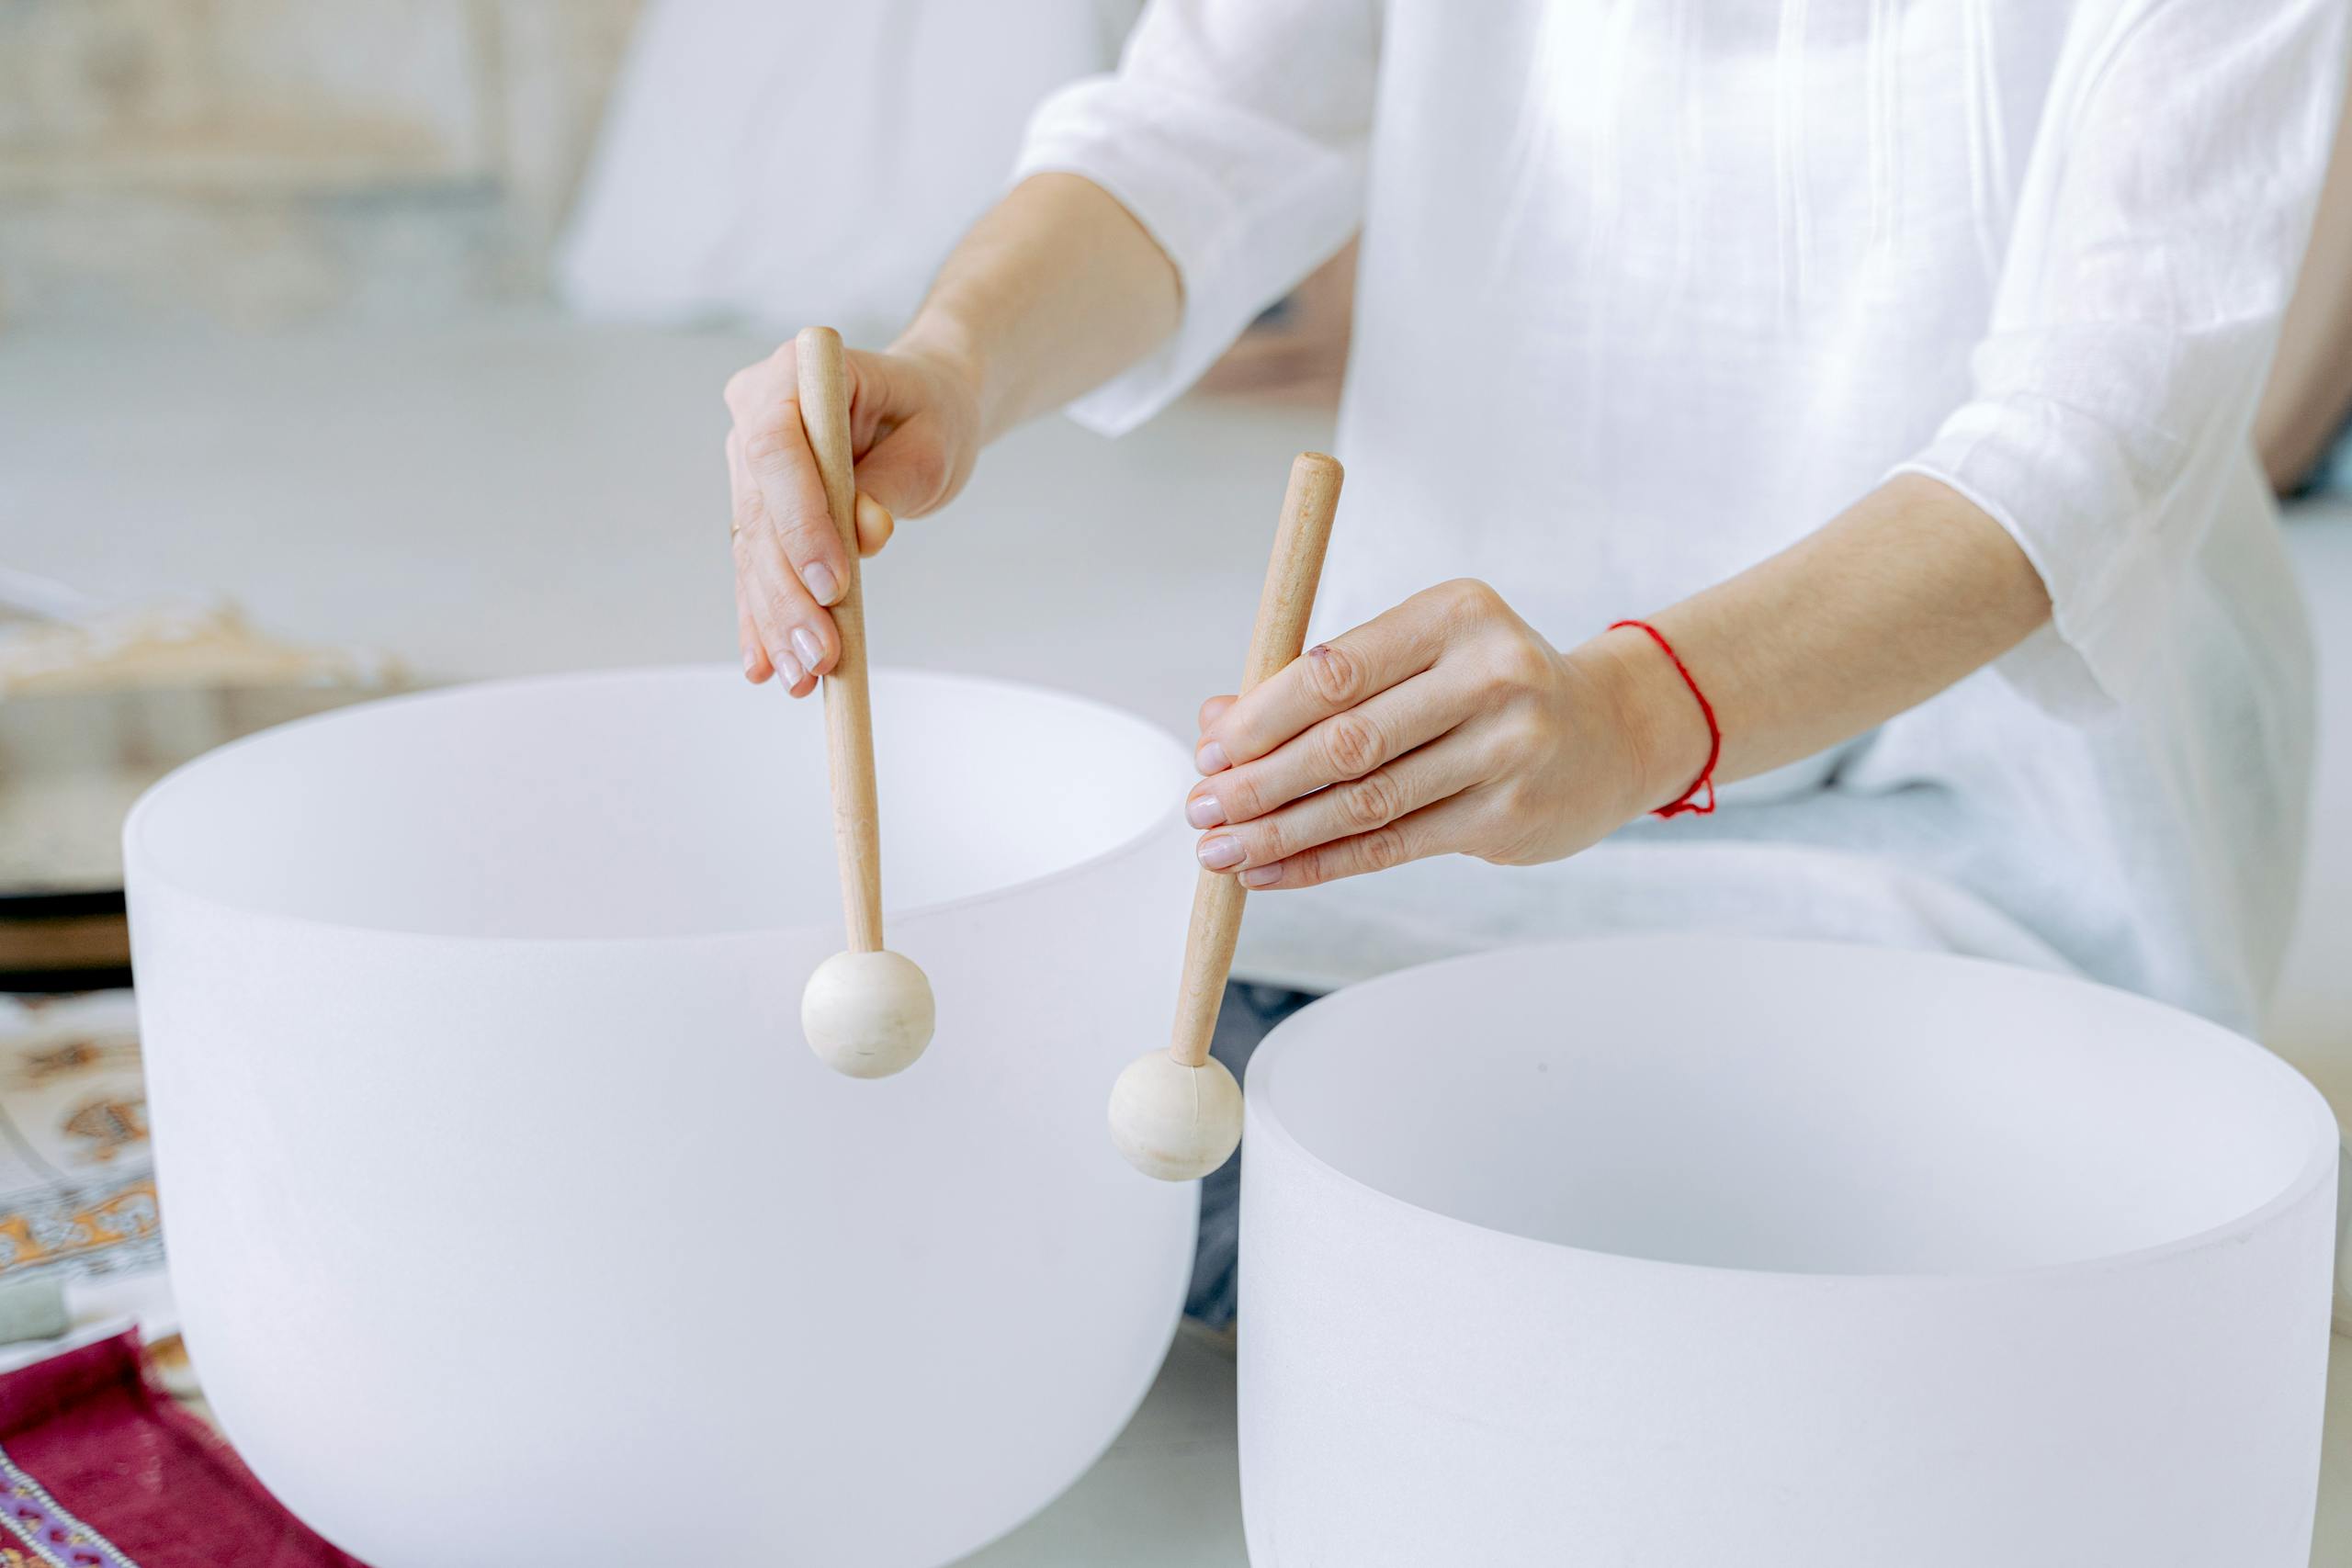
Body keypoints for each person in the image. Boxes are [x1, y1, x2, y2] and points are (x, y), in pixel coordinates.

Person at [721, 1, 2350, 1326]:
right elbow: (1191, 134)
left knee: (1898, 1275)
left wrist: (1639, 714)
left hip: (1991, 841)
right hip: (1450, 812)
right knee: (1020, 1154)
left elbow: (2090, 445)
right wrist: (953, 359)